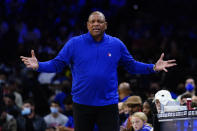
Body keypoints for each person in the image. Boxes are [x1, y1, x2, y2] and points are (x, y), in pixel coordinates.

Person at [20, 11, 177, 131]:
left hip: (108, 104)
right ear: (87, 25)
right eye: (92, 21)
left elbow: (132, 65)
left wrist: (153, 67)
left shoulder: (116, 44)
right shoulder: (74, 43)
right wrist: (39, 65)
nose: (96, 24)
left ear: (105, 25)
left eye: (99, 21)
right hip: (82, 104)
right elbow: (57, 64)